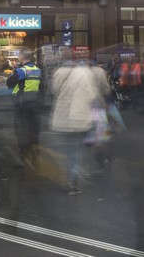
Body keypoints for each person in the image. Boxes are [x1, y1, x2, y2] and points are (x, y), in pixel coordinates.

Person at [50, 57, 109, 195]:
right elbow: (93, 95)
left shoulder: (59, 73)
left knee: (69, 149)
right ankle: (73, 182)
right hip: (79, 116)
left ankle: (70, 178)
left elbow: (54, 91)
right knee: (77, 150)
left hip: (63, 117)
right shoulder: (85, 73)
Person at [5, 48, 43, 166]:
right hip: (35, 103)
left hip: (22, 104)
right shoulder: (37, 70)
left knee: (21, 129)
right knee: (34, 129)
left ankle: (24, 154)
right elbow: (41, 86)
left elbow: (9, 83)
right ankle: (35, 153)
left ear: (22, 57)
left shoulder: (21, 71)